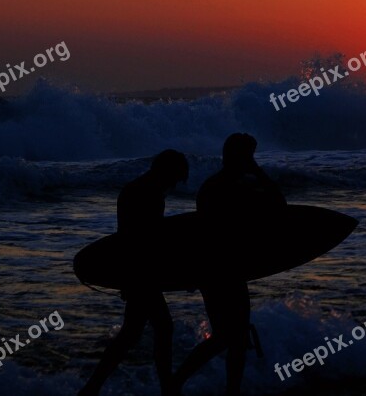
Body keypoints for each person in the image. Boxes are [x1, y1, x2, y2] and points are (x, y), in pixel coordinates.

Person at [173, 133, 286, 396]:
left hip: (227, 269)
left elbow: (277, 205)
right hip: (218, 269)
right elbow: (278, 204)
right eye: (250, 156)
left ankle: (228, 390)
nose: (253, 161)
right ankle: (177, 381)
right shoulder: (229, 187)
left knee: (236, 338)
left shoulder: (222, 184)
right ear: (241, 157)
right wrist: (257, 172)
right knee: (228, 336)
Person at [79, 149, 189, 396]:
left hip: (135, 271)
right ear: (167, 171)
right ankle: (167, 389)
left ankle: (92, 388)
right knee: (161, 328)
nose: (174, 184)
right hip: (141, 273)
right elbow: (145, 241)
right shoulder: (148, 193)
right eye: (175, 178)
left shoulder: (138, 188)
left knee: (131, 334)